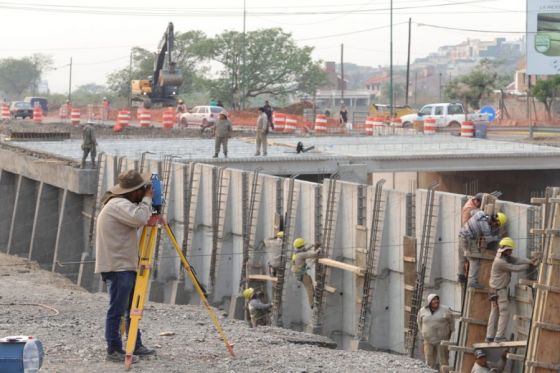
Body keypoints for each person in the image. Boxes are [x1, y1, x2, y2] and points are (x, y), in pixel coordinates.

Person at [94, 170, 156, 363]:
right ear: (134, 191)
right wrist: (147, 200)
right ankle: (113, 349)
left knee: (132, 307)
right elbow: (139, 219)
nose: (146, 192)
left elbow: (137, 219)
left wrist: (146, 203)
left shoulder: (120, 204)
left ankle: (134, 344)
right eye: (143, 190)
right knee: (118, 309)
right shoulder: (118, 204)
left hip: (123, 265)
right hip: (118, 266)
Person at [486, 237, 537, 343]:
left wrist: (529, 261)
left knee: (494, 312)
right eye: (509, 250)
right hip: (500, 291)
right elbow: (515, 268)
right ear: (504, 249)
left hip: (494, 290)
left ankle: (489, 336)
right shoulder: (500, 261)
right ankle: (499, 336)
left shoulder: (503, 257)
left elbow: (517, 260)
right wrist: (528, 265)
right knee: (504, 313)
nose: (511, 252)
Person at [458, 211, 507, 288]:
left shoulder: (481, 213)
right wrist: (498, 237)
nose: (495, 226)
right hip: (468, 239)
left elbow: (471, 212)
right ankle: (472, 282)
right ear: (496, 220)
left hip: (462, 234)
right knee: (475, 260)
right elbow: (489, 240)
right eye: (497, 224)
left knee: (462, 257)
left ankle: (460, 274)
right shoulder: (485, 226)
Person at [417, 293, 454, 371]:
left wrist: (449, 335)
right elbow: (419, 322)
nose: (436, 301)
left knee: (443, 361)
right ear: (429, 301)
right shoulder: (422, 310)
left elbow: (451, 322)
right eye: (434, 300)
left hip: (442, 340)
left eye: (437, 299)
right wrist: (423, 334)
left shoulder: (446, 309)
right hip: (428, 340)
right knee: (429, 361)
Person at [291, 238, 321, 307]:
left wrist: (313, 245)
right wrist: (319, 249)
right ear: (301, 245)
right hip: (301, 274)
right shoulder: (301, 255)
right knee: (309, 287)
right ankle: (312, 304)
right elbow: (313, 254)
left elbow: (305, 249)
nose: (304, 246)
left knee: (309, 279)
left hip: (298, 273)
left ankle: (313, 294)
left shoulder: (296, 252)